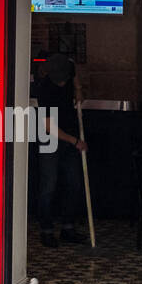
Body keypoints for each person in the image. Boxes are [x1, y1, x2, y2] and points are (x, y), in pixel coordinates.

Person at [33, 52, 87, 246]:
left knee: (74, 184)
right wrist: (75, 141)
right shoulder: (44, 88)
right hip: (50, 138)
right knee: (49, 185)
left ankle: (68, 228)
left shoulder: (69, 67)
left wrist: (78, 89)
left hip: (70, 133)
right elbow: (48, 127)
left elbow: (73, 68)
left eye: (65, 79)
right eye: (60, 81)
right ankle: (46, 230)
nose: (63, 84)